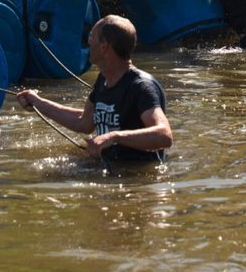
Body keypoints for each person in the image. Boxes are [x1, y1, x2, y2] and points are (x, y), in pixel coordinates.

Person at [14, 15, 174, 164]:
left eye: (91, 36)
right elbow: (84, 122)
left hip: (136, 177)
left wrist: (114, 137)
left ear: (104, 46)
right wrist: (38, 103)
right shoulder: (103, 79)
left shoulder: (141, 87)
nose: (87, 41)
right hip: (110, 169)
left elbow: (164, 135)